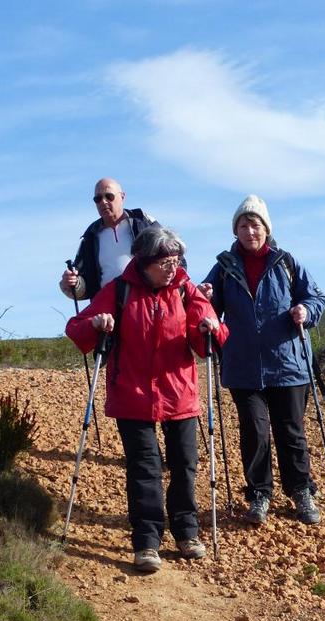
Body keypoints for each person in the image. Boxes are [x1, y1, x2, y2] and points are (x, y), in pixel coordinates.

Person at [66, 227, 227, 573]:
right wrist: (97, 322)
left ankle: (187, 532)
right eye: (165, 262)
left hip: (178, 391)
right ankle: (147, 541)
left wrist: (210, 327)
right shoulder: (119, 290)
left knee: (184, 463)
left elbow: (211, 338)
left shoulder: (185, 289)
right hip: (133, 393)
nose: (172, 267)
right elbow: (77, 328)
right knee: (145, 468)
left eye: (176, 261)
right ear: (144, 261)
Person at [200, 194, 325, 526]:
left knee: (291, 431)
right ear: (236, 230)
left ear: (266, 228)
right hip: (243, 365)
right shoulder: (225, 266)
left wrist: (306, 310)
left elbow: (315, 296)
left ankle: (300, 490)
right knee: (254, 431)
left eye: (254, 223)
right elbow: (205, 305)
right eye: (243, 224)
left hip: (288, 364)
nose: (249, 230)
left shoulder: (285, 261)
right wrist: (206, 302)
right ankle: (259, 493)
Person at [60, 178, 158, 301]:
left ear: (122, 197)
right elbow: (86, 286)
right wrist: (72, 283)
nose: (103, 202)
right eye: (98, 198)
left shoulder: (143, 222)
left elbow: (175, 257)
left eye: (109, 196)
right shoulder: (90, 237)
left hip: (146, 305)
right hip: (108, 313)